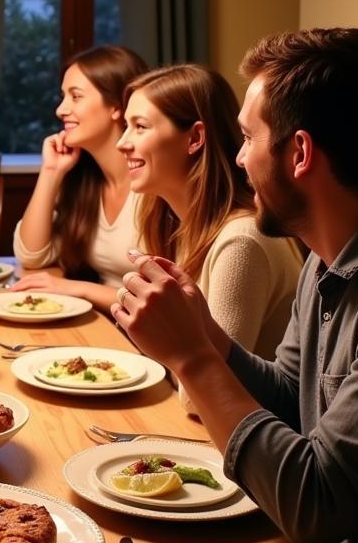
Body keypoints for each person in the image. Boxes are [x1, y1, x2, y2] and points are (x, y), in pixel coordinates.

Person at [111, 28, 358, 543]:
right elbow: (289, 396)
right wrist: (209, 336)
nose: (237, 157)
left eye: (250, 138)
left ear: (299, 153)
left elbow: (317, 507)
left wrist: (192, 358)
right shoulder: (328, 253)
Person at [116, 64, 302, 362]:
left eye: (140, 126)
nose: (122, 143)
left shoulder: (241, 242)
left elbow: (203, 395)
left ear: (194, 139)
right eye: (126, 126)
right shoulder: (177, 223)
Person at [9, 45, 147, 313]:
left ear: (117, 107)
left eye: (76, 97)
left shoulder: (154, 181)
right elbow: (31, 256)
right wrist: (51, 173)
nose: (61, 110)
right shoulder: (85, 181)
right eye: (63, 97)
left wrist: (78, 288)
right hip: (106, 324)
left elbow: (165, 302)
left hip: (148, 339)